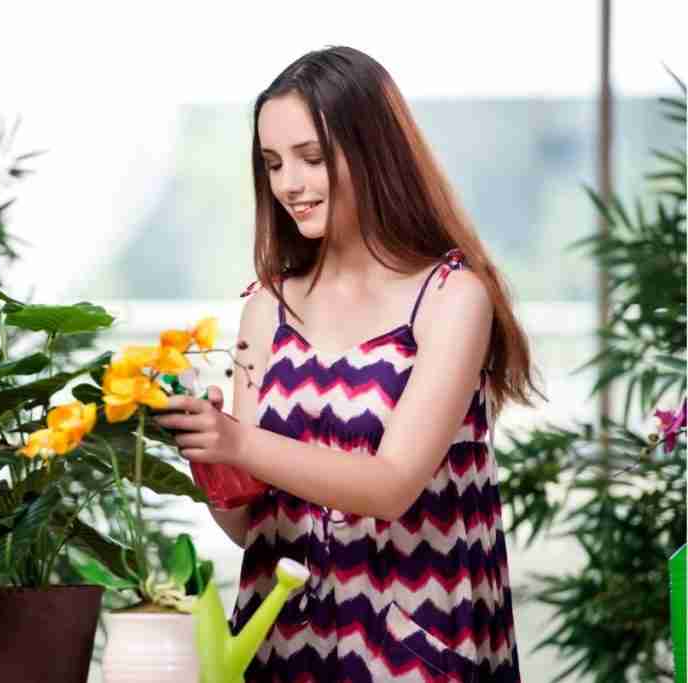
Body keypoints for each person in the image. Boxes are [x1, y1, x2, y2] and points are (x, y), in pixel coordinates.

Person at [153, 45, 543, 682]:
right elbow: (252, 530)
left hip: (415, 646)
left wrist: (239, 443)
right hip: (281, 646)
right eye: (273, 164)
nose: (289, 185)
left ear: (372, 150)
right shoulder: (264, 307)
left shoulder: (449, 297)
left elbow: (391, 485)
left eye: (311, 159)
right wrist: (210, 453)